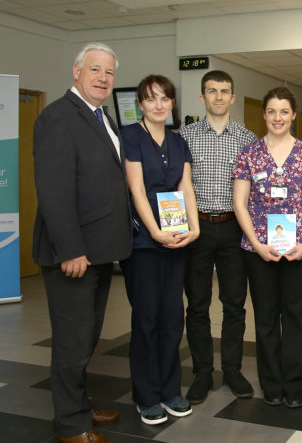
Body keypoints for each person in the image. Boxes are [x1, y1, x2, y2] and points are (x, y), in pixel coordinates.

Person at [32, 42, 132, 443]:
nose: (103, 79)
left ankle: (76, 402)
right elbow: (53, 191)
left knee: (88, 335)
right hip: (75, 254)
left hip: (101, 250)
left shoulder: (100, 116)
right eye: (95, 70)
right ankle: (72, 425)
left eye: (109, 72)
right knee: (73, 340)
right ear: (76, 72)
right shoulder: (59, 117)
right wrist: (70, 249)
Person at [232, 86, 302, 408]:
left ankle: (295, 385)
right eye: (272, 111)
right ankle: (271, 384)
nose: (278, 118)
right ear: (264, 115)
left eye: (284, 111)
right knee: (267, 317)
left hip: (299, 249)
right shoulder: (249, 153)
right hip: (259, 251)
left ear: (293, 114)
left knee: (296, 316)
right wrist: (256, 244)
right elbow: (240, 203)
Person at [120, 75, 199, 425]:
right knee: (147, 319)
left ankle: (171, 390)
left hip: (177, 239)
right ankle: (147, 395)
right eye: (150, 99)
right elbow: (137, 191)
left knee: (172, 319)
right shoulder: (131, 137)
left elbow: (185, 187)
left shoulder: (179, 141)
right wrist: (156, 233)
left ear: (171, 104)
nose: (158, 105)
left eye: (164, 99)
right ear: (140, 103)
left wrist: (193, 228)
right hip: (144, 245)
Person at [179, 70, 257, 403]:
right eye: (212, 91)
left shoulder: (247, 138)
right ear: (202, 98)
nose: (219, 97)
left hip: (232, 228)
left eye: (225, 91)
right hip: (196, 228)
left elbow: (258, 191)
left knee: (234, 305)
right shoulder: (183, 137)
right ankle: (201, 372)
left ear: (233, 97)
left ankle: (233, 370)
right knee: (197, 305)